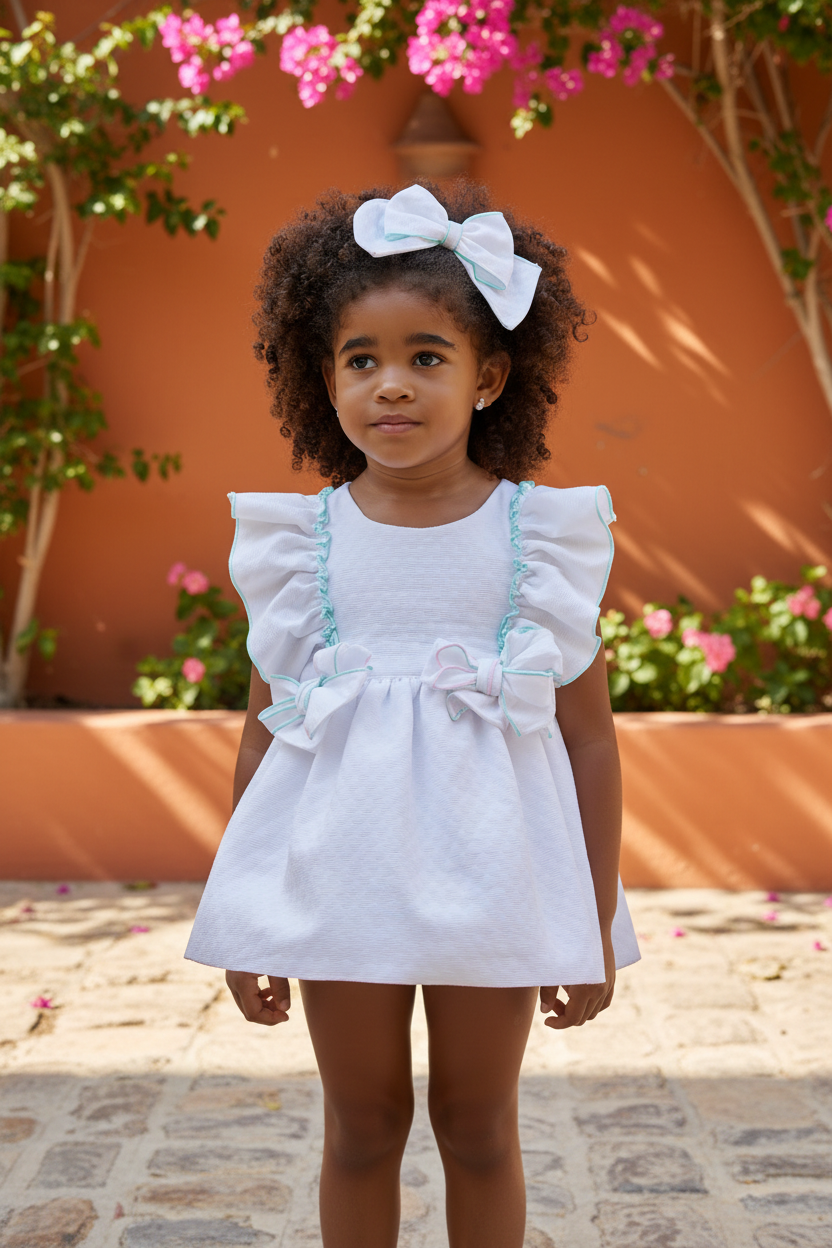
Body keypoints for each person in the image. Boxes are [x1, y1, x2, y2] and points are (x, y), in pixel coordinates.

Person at [186, 180, 640, 1248]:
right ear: (325, 379)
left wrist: (591, 920)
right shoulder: (305, 545)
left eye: (426, 357)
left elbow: (583, 733)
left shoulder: (541, 541)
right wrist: (250, 905)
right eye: (361, 360)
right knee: (361, 1122)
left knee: (478, 1123)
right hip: (343, 875)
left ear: (489, 377)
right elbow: (268, 726)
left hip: (498, 874)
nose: (391, 386)